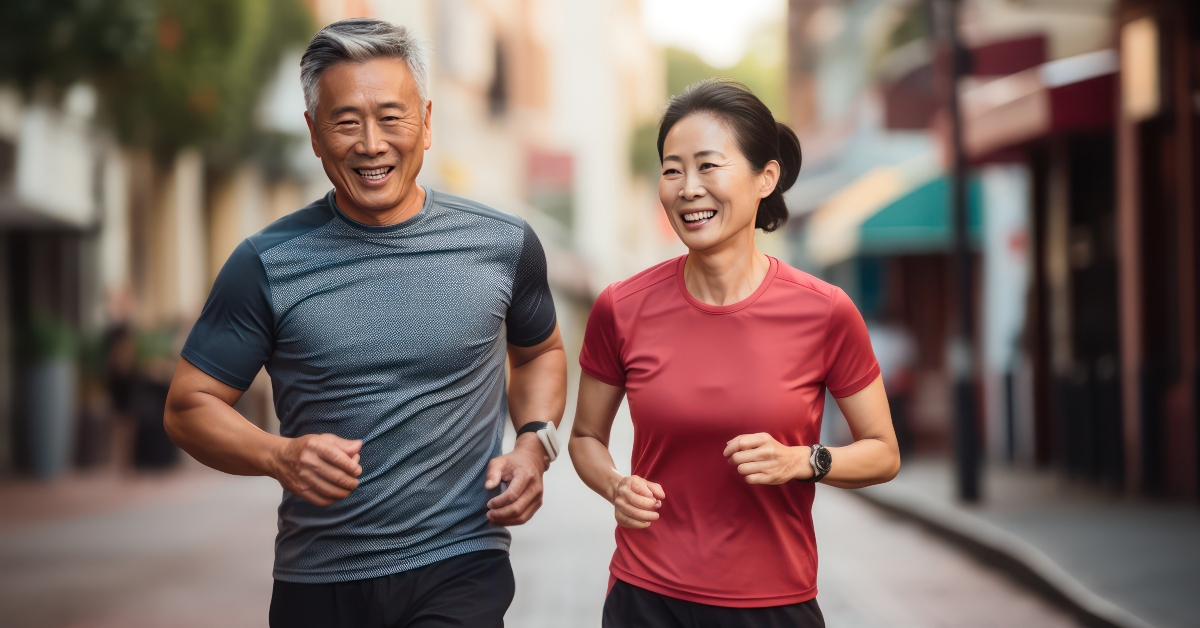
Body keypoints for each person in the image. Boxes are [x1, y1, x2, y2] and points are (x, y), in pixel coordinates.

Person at [163, 18, 566, 628]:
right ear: (314, 135)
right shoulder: (265, 263)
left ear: (426, 124)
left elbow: (539, 352)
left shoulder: (502, 244)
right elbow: (188, 407)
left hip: (461, 563)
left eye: (391, 117)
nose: (371, 143)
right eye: (346, 122)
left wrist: (534, 444)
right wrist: (279, 455)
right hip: (319, 581)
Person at [569, 80, 901, 628]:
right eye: (672, 170)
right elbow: (585, 438)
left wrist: (805, 460)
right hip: (647, 599)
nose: (687, 188)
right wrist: (615, 486)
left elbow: (883, 452)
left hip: (776, 605)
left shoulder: (825, 312)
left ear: (765, 178)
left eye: (708, 166)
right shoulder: (620, 308)